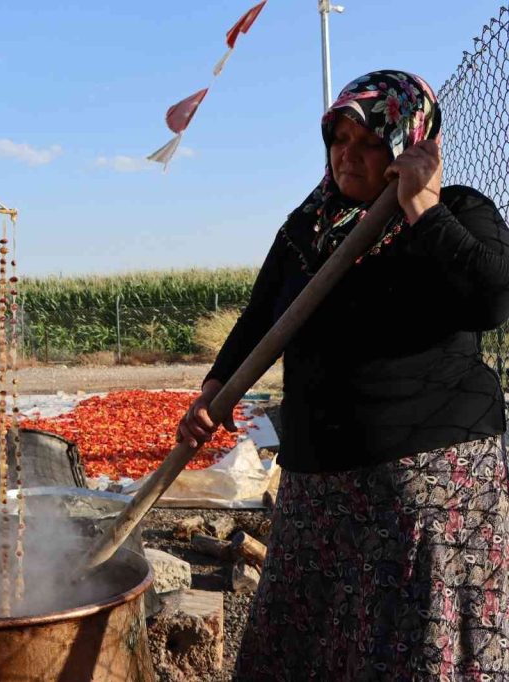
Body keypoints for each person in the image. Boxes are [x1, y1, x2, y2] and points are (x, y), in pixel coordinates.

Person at [177, 70, 509, 679]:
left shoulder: (459, 211)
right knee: (313, 652)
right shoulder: (309, 227)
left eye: (369, 141)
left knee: (408, 654)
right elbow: (262, 316)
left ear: (410, 144)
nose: (347, 155)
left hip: (426, 494)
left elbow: (492, 300)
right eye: (338, 138)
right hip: (321, 493)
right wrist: (214, 391)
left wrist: (421, 208)